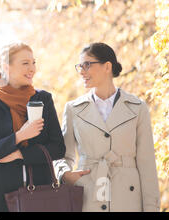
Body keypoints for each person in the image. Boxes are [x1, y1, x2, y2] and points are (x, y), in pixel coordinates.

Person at [54, 42, 160, 211]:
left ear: (107, 66)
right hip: (88, 195)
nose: (82, 71)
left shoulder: (137, 108)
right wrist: (65, 174)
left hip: (128, 198)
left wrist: (151, 208)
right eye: (79, 66)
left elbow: (147, 166)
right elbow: (61, 156)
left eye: (87, 65)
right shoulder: (73, 109)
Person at [0, 41, 66, 212]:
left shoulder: (43, 99)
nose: (32, 69)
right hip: (2, 197)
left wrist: (19, 154)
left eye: (33, 63)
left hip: (42, 194)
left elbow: (58, 148)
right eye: (25, 63)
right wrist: (19, 136)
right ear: (6, 67)